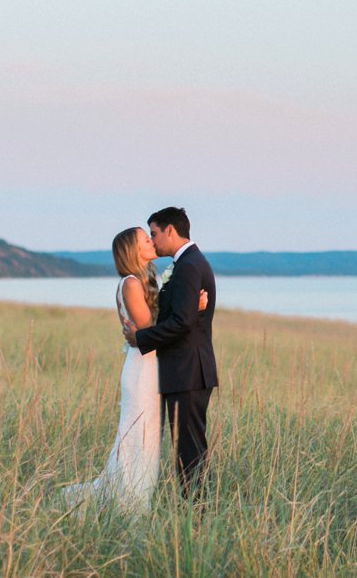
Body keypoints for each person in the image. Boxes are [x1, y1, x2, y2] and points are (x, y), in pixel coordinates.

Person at [61, 225, 207, 513]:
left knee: (148, 442)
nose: (152, 242)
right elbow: (149, 331)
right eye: (145, 239)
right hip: (142, 371)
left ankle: (134, 503)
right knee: (137, 440)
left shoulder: (143, 280)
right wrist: (190, 308)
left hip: (151, 368)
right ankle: (125, 507)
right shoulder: (130, 283)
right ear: (133, 250)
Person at [123, 206, 218, 500]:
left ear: (170, 231)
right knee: (188, 451)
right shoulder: (187, 263)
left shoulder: (189, 265)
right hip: (185, 372)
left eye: (154, 233)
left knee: (189, 454)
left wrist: (140, 338)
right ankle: (196, 510)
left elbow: (181, 323)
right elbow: (182, 315)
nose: (153, 241)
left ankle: (198, 514)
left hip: (188, 372)